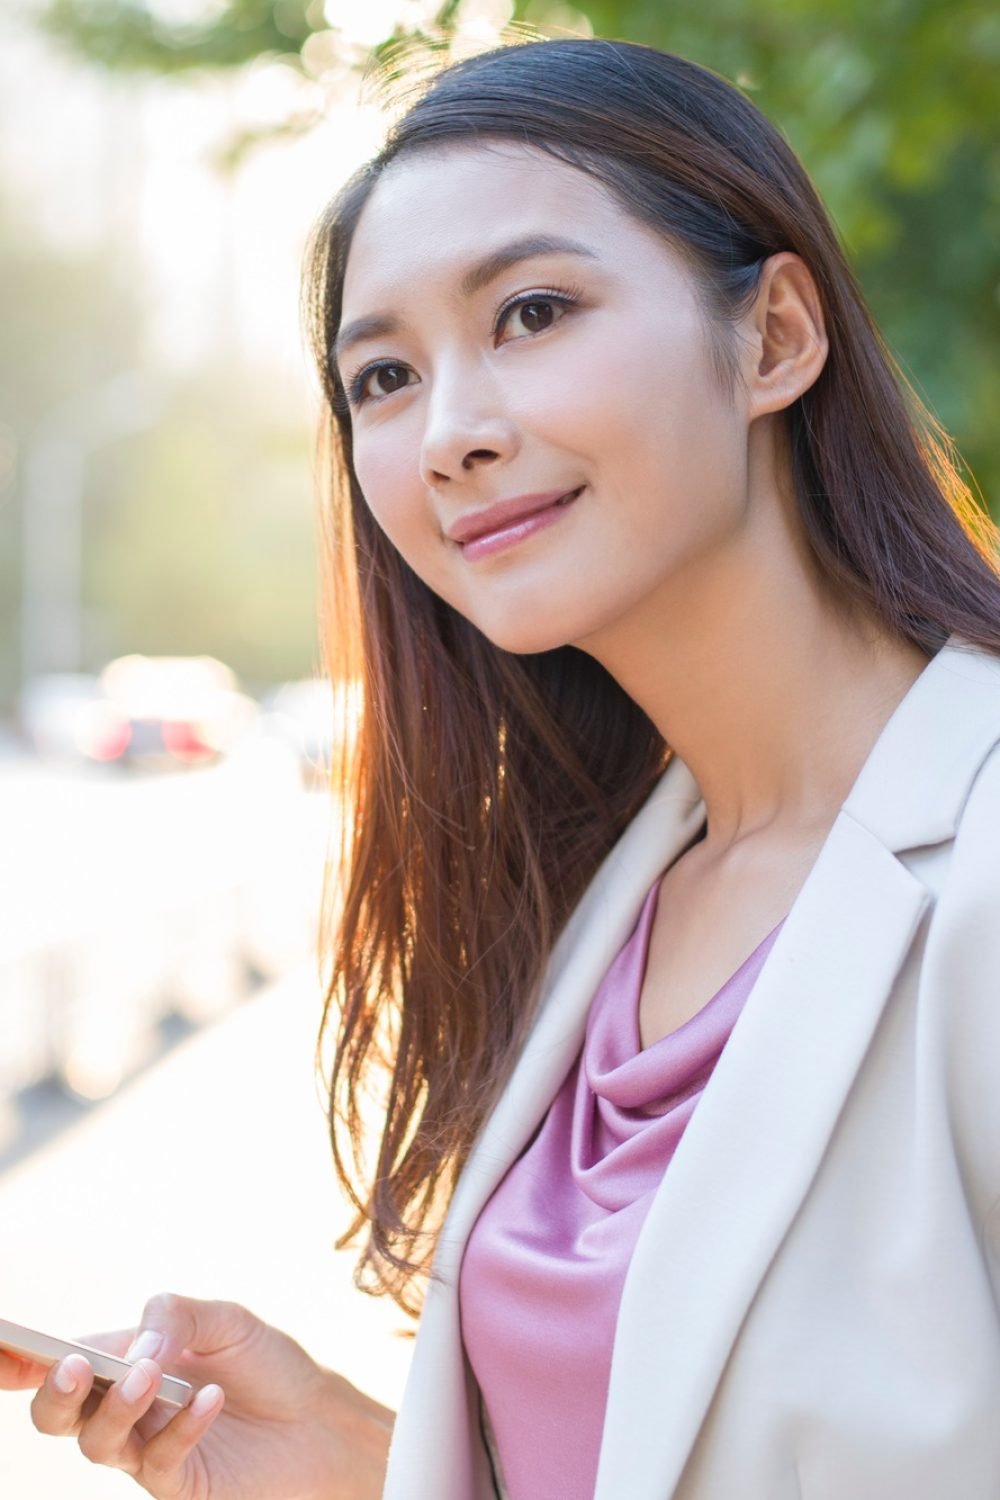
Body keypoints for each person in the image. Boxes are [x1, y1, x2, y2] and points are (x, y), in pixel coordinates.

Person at [4, 33, 1000, 1500]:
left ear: (775, 338)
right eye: (385, 377)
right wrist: (372, 1463)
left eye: (534, 311)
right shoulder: (605, 895)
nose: (453, 433)